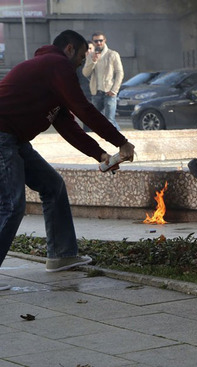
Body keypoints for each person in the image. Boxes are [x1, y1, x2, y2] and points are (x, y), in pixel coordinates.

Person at [0, 30, 135, 290]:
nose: (82, 63)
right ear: (70, 49)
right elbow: (83, 108)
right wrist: (121, 142)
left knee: (53, 186)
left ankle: (61, 255)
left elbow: (68, 125)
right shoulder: (56, 64)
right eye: (83, 56)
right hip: (2, 135)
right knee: (11, 204)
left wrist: (101, 155)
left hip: (13, 138)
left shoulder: (49, 74)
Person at [82, 31, 124, 130]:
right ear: (93, 42)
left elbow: (119, 73)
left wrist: (114, 90)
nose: (99, 43)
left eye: (101, 40)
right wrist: (93, 61)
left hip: (109, 92)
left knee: (110, 120)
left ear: (105, 41)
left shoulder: (112, 54)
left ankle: (121, 139)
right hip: (96, 93)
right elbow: (85, 73)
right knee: (96, 119)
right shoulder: (90, 56)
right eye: (96, 41)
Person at [77, 41, 94, 132]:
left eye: (90, 49)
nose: (88, 51)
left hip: (98, 94)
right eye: (86, 49)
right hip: (84, 94)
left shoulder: (99, 62)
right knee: (87, 120)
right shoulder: (79, 63)